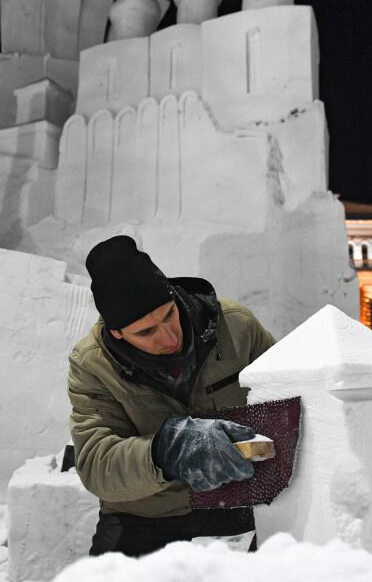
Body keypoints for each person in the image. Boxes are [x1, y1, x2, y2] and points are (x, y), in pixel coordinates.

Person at [67, 236, 276, 557]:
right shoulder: (92, 364)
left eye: (169, 315)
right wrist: (165, 452)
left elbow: (289, 397)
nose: (168, 337)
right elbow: (97, 465)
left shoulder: (236, 326)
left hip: (239, 498)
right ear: (117, 332)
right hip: (147, 514)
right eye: (146, 332)